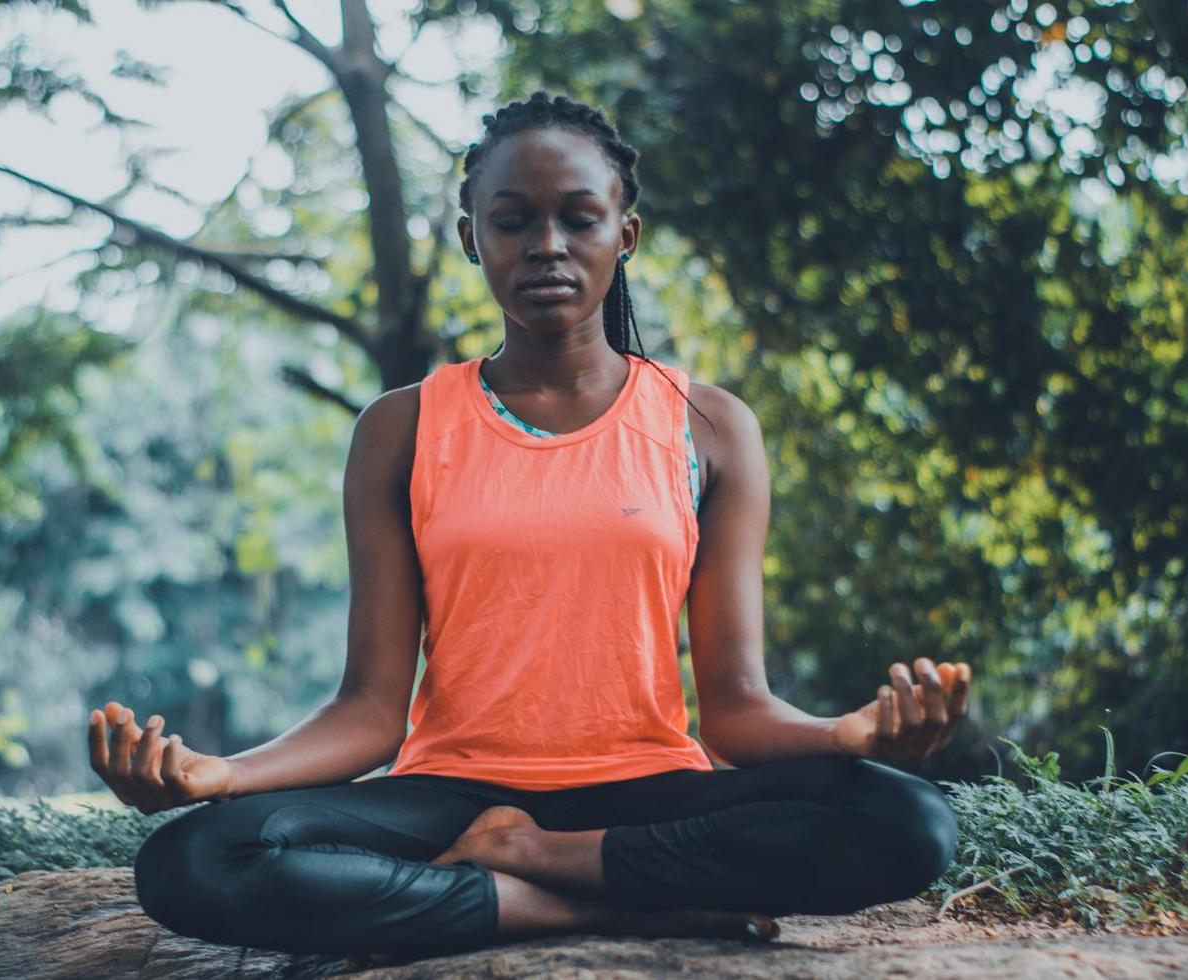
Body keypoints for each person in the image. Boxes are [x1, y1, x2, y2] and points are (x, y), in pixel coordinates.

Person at [87, 90, 972, 962]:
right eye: (513, 220)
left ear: (624, 233)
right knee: (197, 859)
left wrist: (846, 736)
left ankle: (530, 862)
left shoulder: (707, 426)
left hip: (645, 792)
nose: (547, 244)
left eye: (578, 219)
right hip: (449, 795)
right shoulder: (403, 428)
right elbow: (367, 712)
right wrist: (223, 775)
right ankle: (583, 912)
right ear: (473, 235)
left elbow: (736, 713)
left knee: (907, 821)